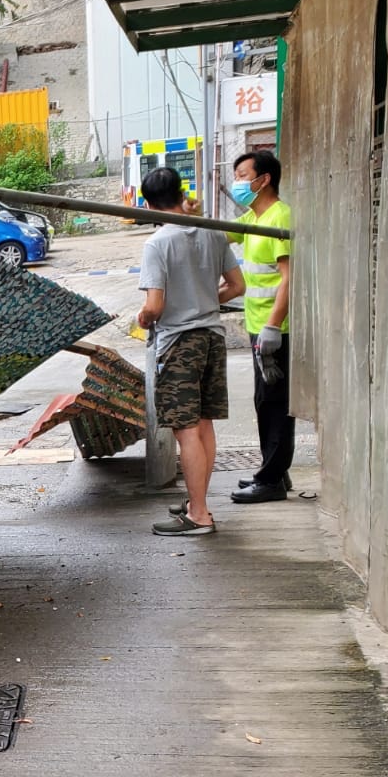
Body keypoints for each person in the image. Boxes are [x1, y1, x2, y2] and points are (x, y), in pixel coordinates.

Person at [136, 167, 246, 536]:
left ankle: (198, 514)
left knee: (185, 431)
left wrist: (143, 318)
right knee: (204, 425)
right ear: (181, 193)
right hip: (213, 337)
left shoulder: (158, 243)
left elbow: (154, 305)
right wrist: (203, 302)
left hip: (179, 342)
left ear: (148, 203)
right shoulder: (212, 233)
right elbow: (237, 285)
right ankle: (199, 502)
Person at [225, 150, 294, 505]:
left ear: (263, 178)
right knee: (263, 401)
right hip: (258, 324)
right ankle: (274, 471)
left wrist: (273, 326)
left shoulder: (278, 218)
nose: (238, 182)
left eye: (242, 175)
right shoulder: (254, 215)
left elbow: (288, 279)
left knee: (275, 403)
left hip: (275, 330)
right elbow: (222, 236)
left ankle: (271, 480)